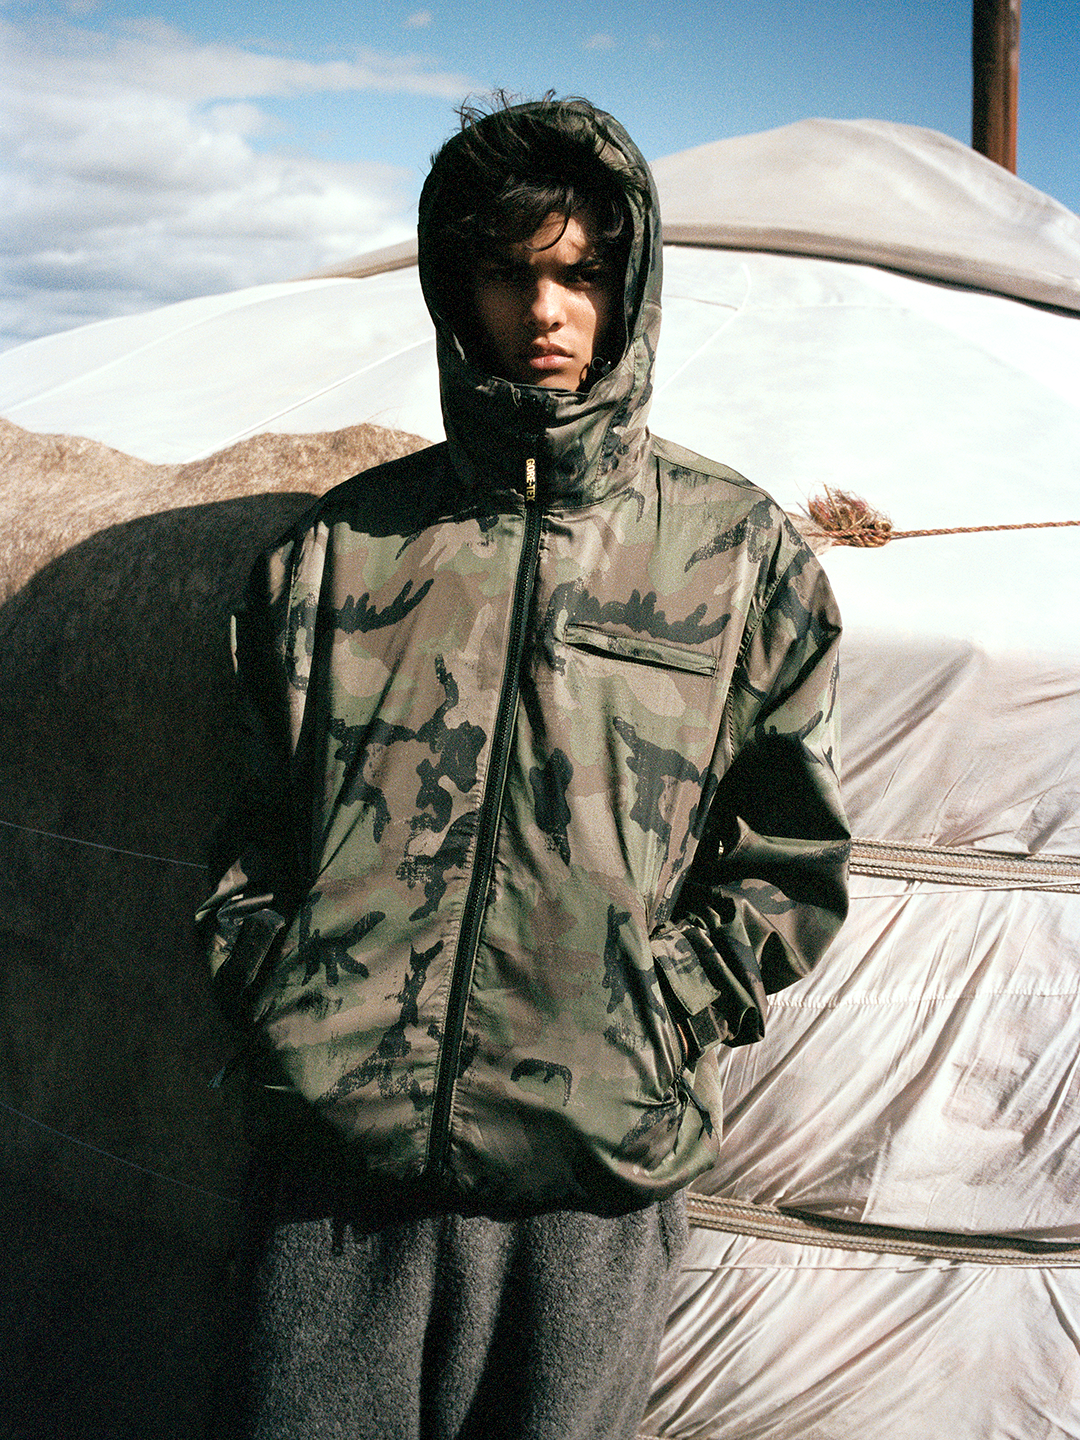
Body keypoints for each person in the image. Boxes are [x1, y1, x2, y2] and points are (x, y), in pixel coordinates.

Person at [199, 94, 849, 1440]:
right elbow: (251, 829)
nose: (547, 310)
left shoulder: (737, 558)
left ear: (631, 286)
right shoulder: (339, 552)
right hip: (340, 1164)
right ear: (457, 290)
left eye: (582, 273)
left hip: (590, 1175)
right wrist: (284, 993)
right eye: (510, 273)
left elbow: (792, 860)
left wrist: (656, 1016)